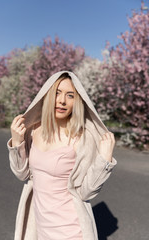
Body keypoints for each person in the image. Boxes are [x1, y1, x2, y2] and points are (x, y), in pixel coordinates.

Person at [7, 71, 117, 240]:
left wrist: (104, 160)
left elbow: (86, 193)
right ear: (47, 95)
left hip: (70, 231)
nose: (62, 100)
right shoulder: (33, 130)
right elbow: (22, 174)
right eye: (57, 93)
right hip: (40, 227)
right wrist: (17, 142)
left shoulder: (81, 137)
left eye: (70, 95)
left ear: (77, 101)